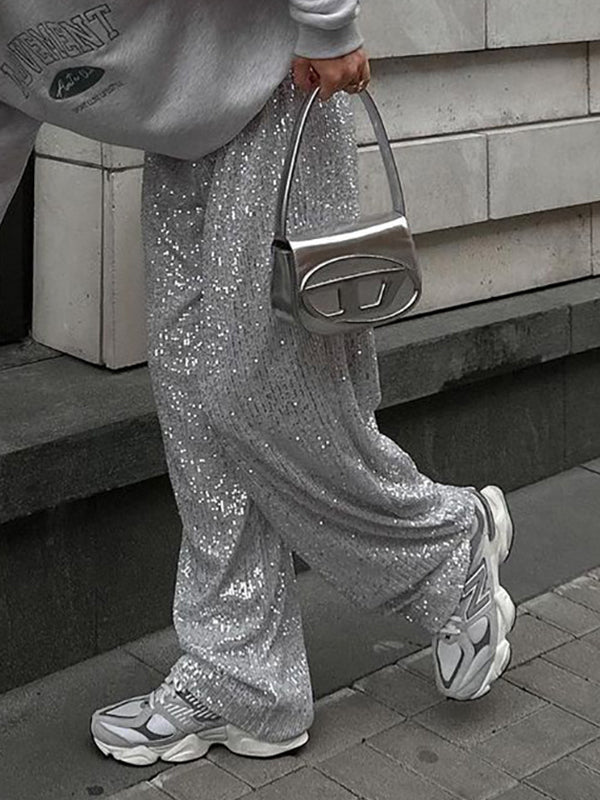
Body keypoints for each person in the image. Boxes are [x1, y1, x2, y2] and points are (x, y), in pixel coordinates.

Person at [0, 0, 516, 765]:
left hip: (280, 79)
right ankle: (242, 680)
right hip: (179, 135)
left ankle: (445, 549)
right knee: (191, 404)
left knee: (267, 390)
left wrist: (328, 23)